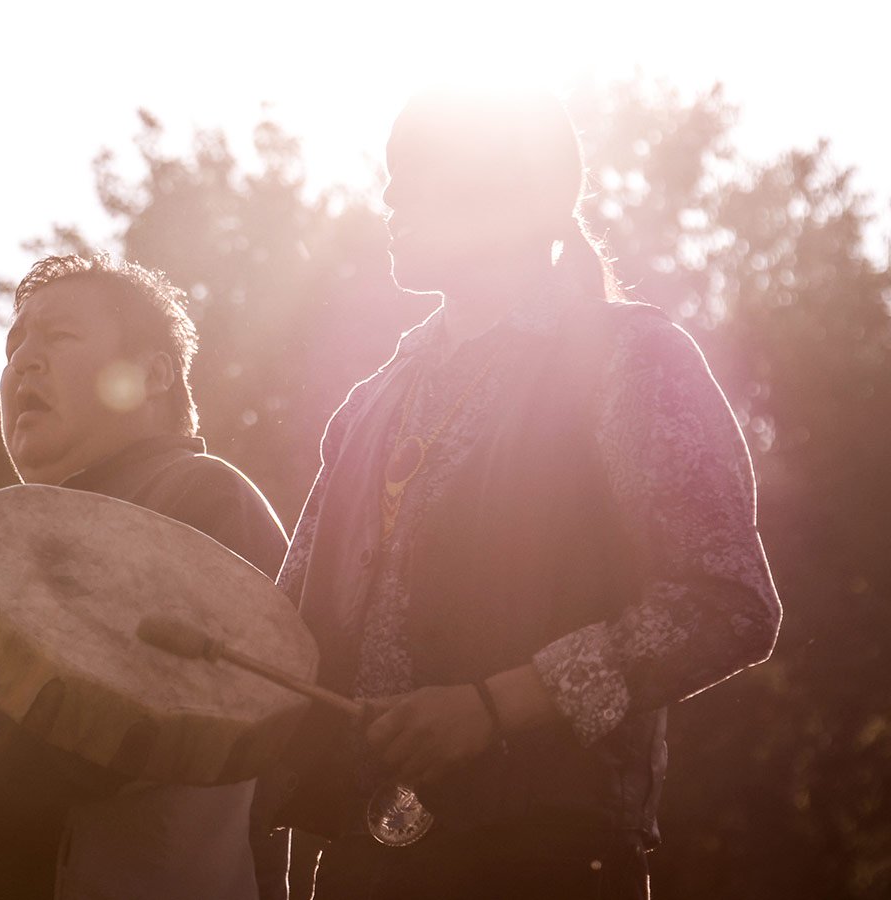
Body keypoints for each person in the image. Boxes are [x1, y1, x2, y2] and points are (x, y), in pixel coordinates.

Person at [269, 87, 782, 899]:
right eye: (391, 173)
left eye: (419, 172)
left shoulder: (630, 359)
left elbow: (726, 601)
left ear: (519, 198)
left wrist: (494, 706)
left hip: (546, 858)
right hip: (360, 863)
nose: (391, 196)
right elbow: (283, 629)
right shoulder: (371, 402)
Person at [0, 253, 289, 900]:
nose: (23, 360)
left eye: (59, 335)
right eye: (14, 343)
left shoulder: (197, 494)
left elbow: (100, 737)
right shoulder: (27, 540)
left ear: (152, 373)